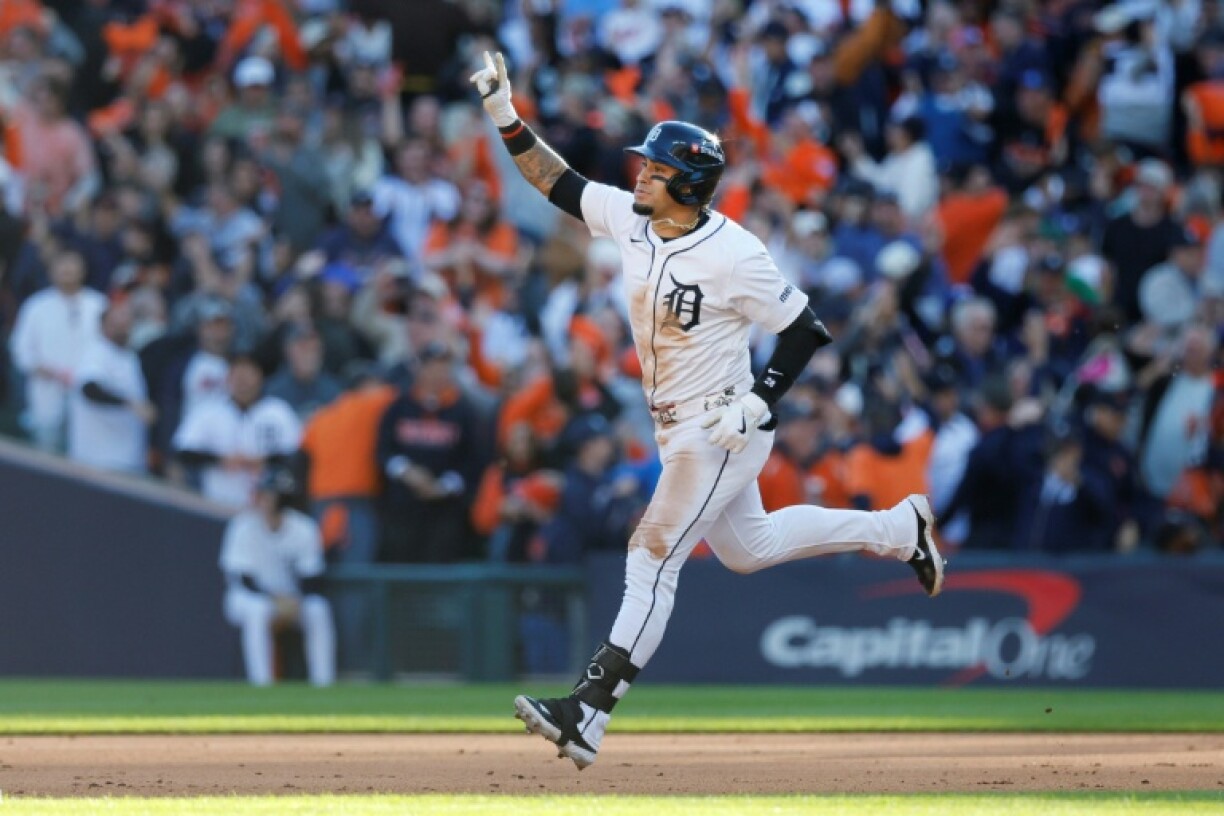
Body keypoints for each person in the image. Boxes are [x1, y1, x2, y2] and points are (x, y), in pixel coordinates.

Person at [469, 51, 945, 770]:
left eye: (655, 169)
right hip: (676, 425)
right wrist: (505, 116)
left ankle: (588, 711)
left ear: (687, 182)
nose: (641, 174)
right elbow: (559, 185)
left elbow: (805, 329)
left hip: (721, 424)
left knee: (650, 554)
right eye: (644, 166)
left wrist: (759, 401)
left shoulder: (735, 252)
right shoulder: (631, 223)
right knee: (746, 548)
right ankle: (898, 527)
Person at [220, 467, 336, 687]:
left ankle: (324, 683)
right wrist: (276, 599)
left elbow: (313, 577)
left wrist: (295, 600)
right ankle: (262, 684)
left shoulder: (303, 527)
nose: (262, 499)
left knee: (318, 609)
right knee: (258, 610)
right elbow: (244, 579)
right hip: (249, 597)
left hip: (293, 598)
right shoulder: (242, 526)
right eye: (262, 493)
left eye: (268, 494)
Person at [68, 300, 157, 473]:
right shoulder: (97, 352)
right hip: (97, 459)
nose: (122, 327)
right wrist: (129, 403)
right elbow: (90, 389)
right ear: (102, 326)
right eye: (115, 323)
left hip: (128, 458)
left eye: (125, 322)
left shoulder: (130, 357)